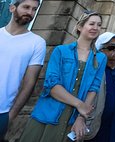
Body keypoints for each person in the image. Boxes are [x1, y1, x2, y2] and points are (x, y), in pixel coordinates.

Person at [21, 10, 106, 142]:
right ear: (79, 26)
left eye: (99, 25)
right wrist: (80, 105)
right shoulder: (61, 51)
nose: (95, 28)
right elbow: (52, 86)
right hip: (48, 115)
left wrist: (81, 117)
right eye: (91, 24)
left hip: (73, 120)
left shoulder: (100, 58)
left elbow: (93, 88)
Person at [0, 0, 46, 140]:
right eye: (26, 7)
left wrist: (11, 115)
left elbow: (29, 82)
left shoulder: (37, 43)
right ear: (12, 8)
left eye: (34, 9)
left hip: (3, 112)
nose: (30, 12)